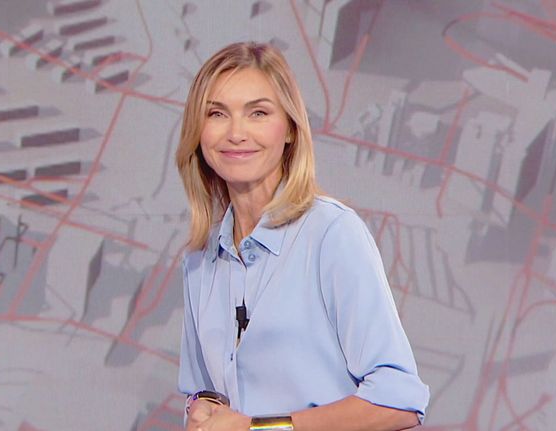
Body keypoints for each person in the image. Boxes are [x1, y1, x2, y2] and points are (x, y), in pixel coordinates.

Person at [175, 41, 430, 431]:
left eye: (258, 113)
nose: (236, 133)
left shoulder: (332, 235)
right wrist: (200, 406)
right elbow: (202, 389)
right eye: (217, 113)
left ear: (290, 129)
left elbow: (399, 401)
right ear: (198, 131)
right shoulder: (200, 259)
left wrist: (258, 429)